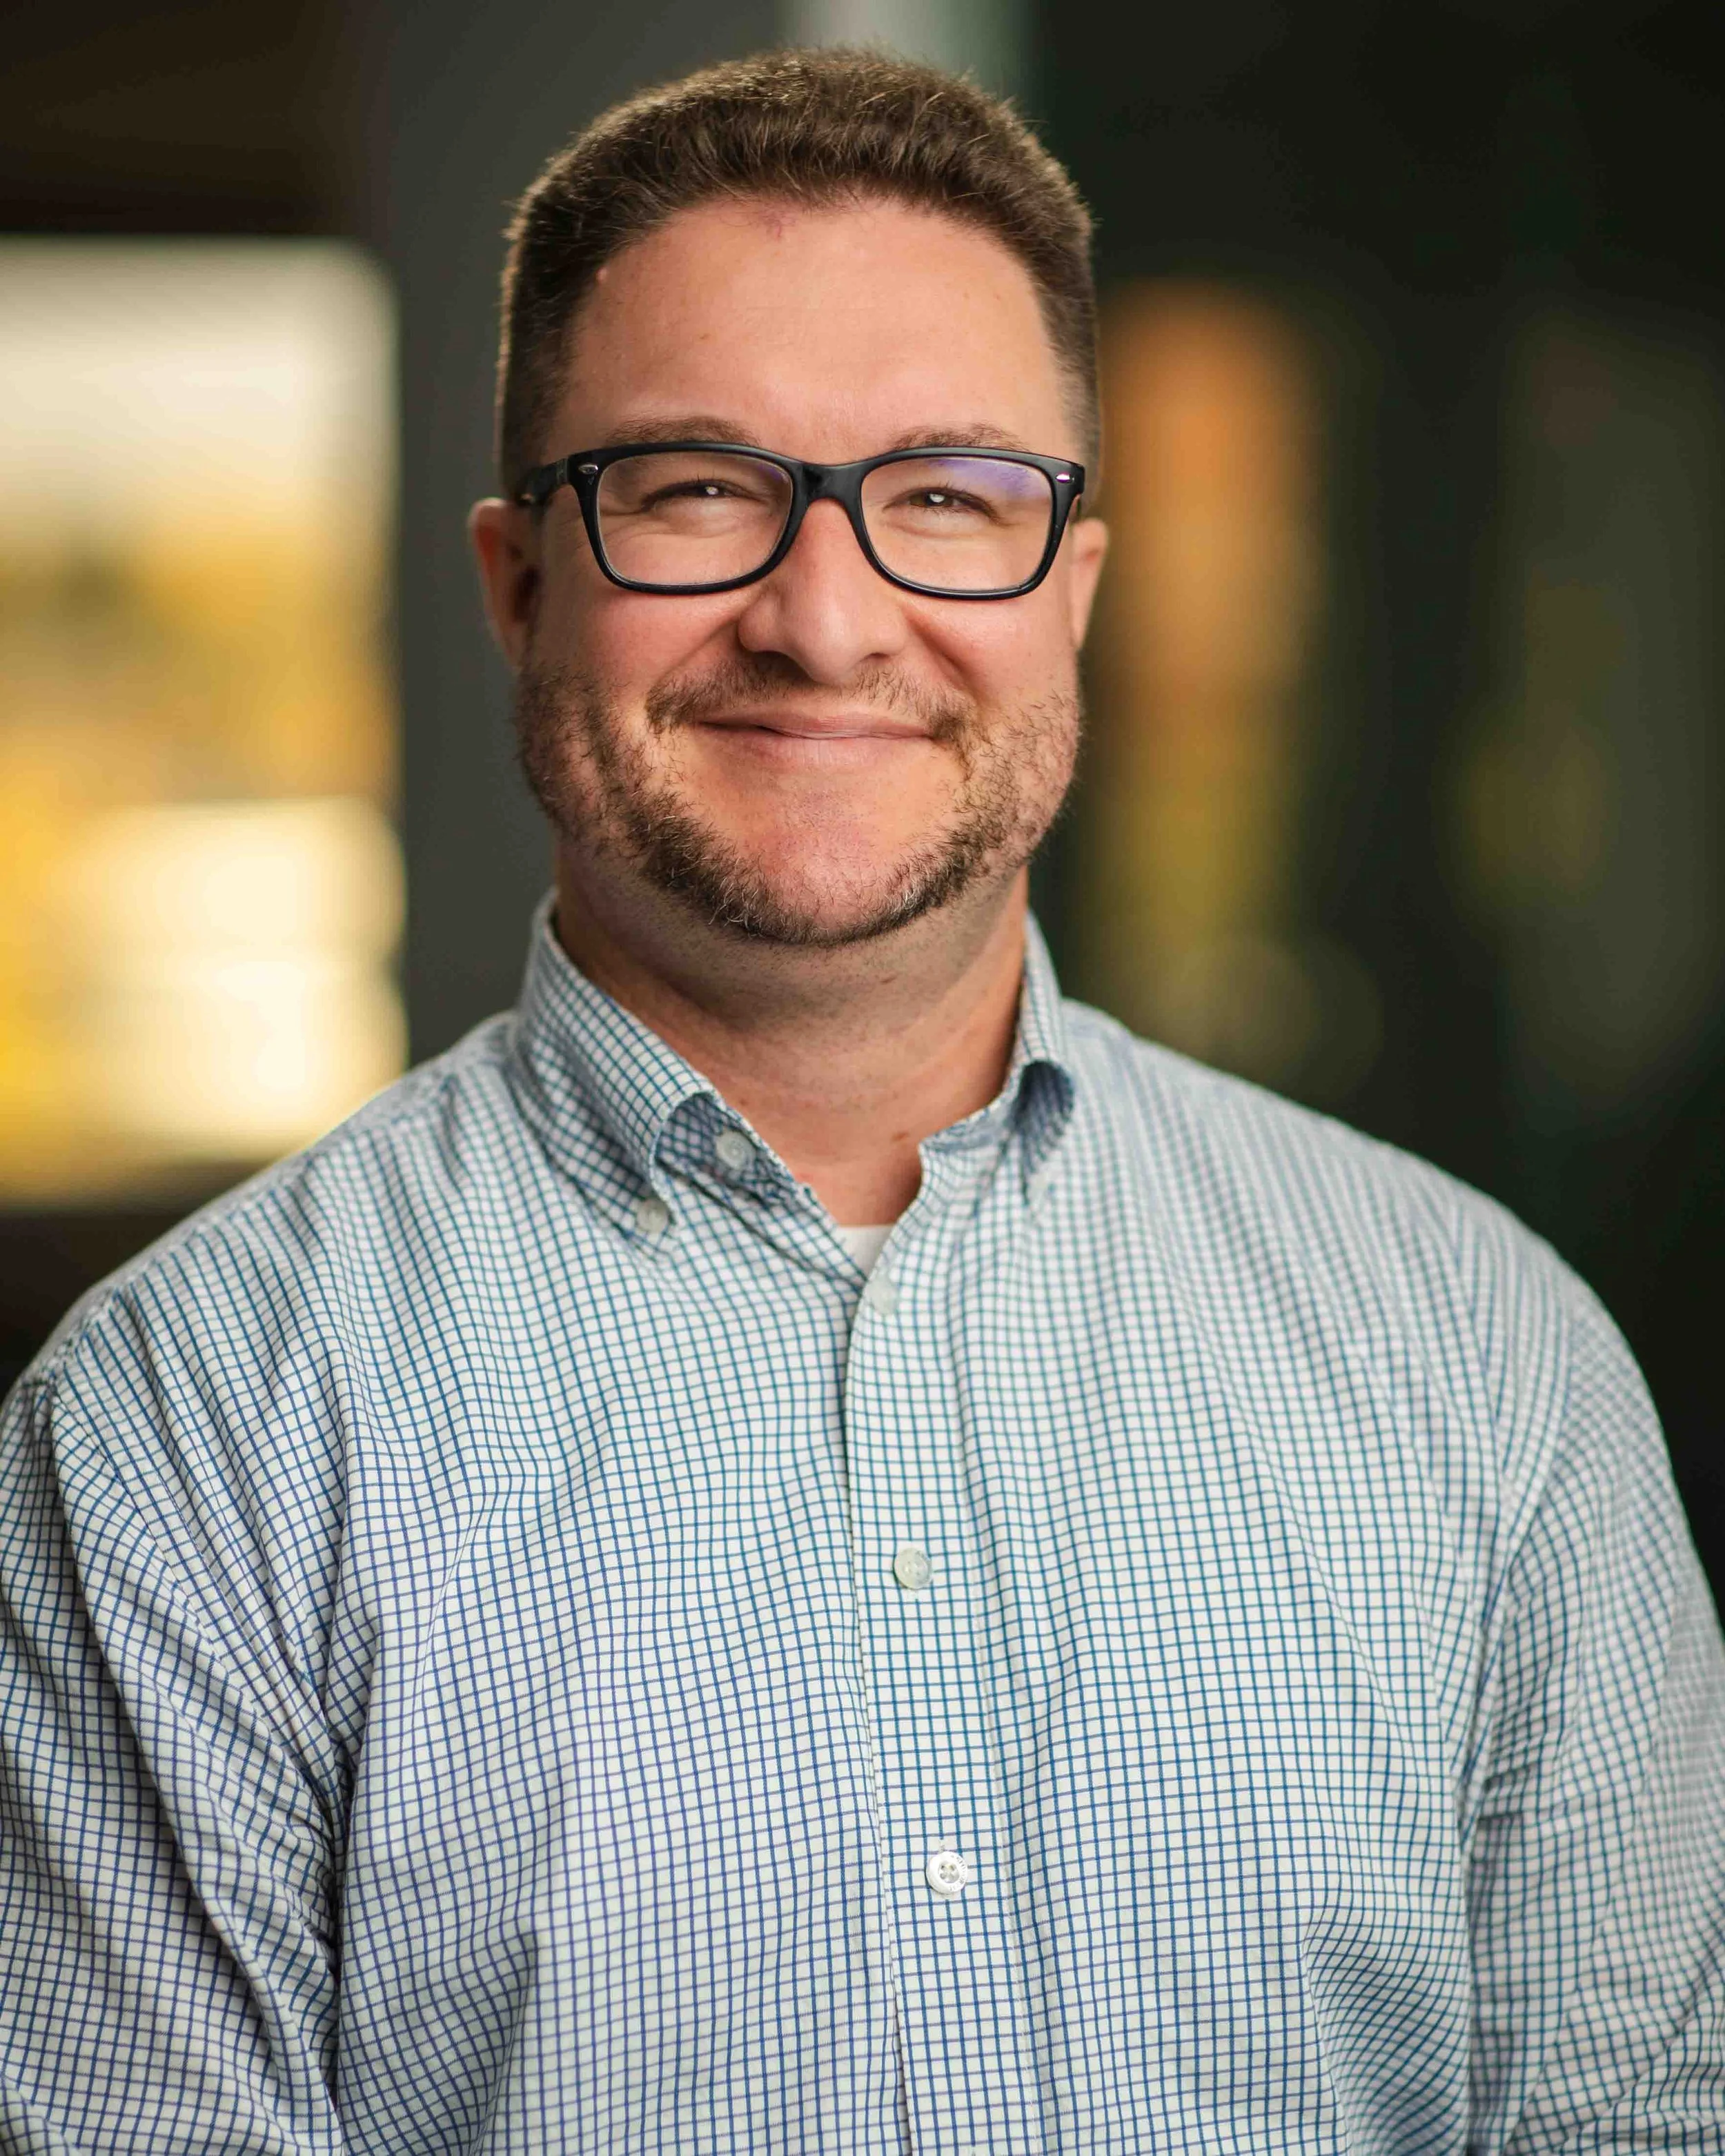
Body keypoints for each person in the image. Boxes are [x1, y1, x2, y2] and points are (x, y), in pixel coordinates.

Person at [1, 47, 1721, 2155]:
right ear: (514, 581)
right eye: (696, 487)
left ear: (1073, 587)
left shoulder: (1484, 1357)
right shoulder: (179, 1430)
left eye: (946, 499)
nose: (826, 620)